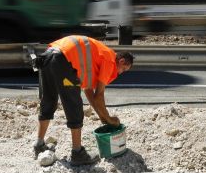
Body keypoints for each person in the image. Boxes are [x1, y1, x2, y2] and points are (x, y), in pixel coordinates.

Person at [33, 35, 134, 165]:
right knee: (74, 106)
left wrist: (101, 115)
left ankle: (39, 144)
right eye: (124, 70)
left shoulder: (98, 56)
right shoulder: (110, 59)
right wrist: (109, 119)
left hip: (48, 56)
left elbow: (88, 90)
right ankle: (77, 153)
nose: (121, 73)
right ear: (121, 61)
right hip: (64, 61)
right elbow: (99, 95)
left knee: (48, 100)